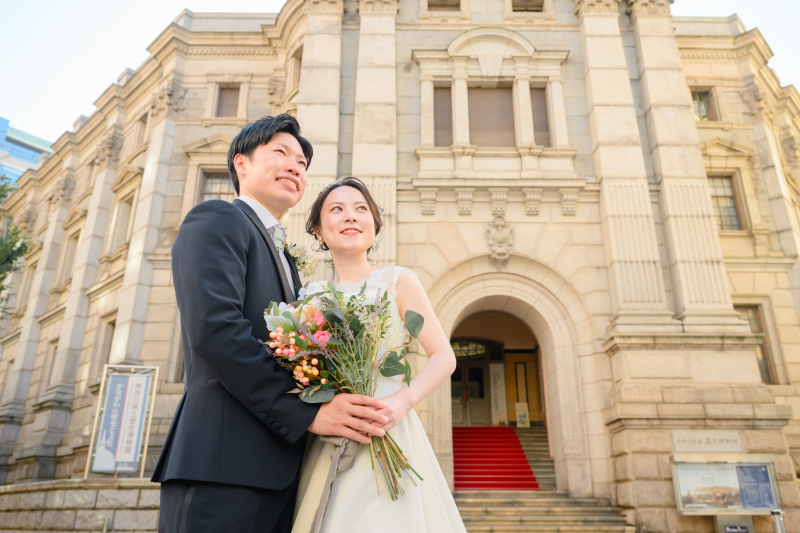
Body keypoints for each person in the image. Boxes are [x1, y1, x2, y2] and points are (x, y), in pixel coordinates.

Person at [153, 115, 388, 533]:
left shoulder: (287, 260)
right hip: (223, 469)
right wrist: (307, 413)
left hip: (281, 475)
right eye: (281, 153)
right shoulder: (217, 218)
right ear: (241, 163)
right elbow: (217, 330)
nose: (295, 166)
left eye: (302, 163)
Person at [292, 177, 466, 533]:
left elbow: (443, 357)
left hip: (391, 428)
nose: (350, 216)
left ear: (374, 225)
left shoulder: (398, 281)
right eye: (336, 209)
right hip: (331, 438)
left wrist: (402, 401)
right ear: (318, 230)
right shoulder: (308, 297)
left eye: (361, 209)